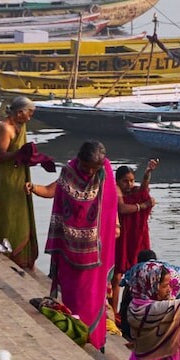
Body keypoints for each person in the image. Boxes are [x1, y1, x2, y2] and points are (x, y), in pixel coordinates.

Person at [46, 141, 118, 348]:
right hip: (69, 249)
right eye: (86, 167)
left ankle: (95, 340)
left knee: (94, 297)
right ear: (79, 160)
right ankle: (74, 331)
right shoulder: (68, 172)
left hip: (96, 253)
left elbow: (109, 209)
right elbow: (61, 206)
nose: (89, 171)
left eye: (93, 168)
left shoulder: (105, 173)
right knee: (74, 295)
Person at [0, 96, 57, 269]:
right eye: (29, 113)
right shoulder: (5, 128)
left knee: (22, 214)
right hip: (5, 179)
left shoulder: (21, 126)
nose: (30, 117)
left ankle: (23, 258)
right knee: (7, 214)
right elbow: (0, 156)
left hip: (19, 176)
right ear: (20, 113)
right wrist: (19, 154)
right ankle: (7, 252)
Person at [114, 160, 159, 275]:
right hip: (121, 234)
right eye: (125, 181)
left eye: (132, 181)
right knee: (117, 271)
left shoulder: (134, 191)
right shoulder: (115, 190)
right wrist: (143, 206)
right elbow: (122, 208)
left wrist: (147, 172)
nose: (129, 184)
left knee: (138, 268)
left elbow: (142, 191)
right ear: (117, 181)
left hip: (135, 234)